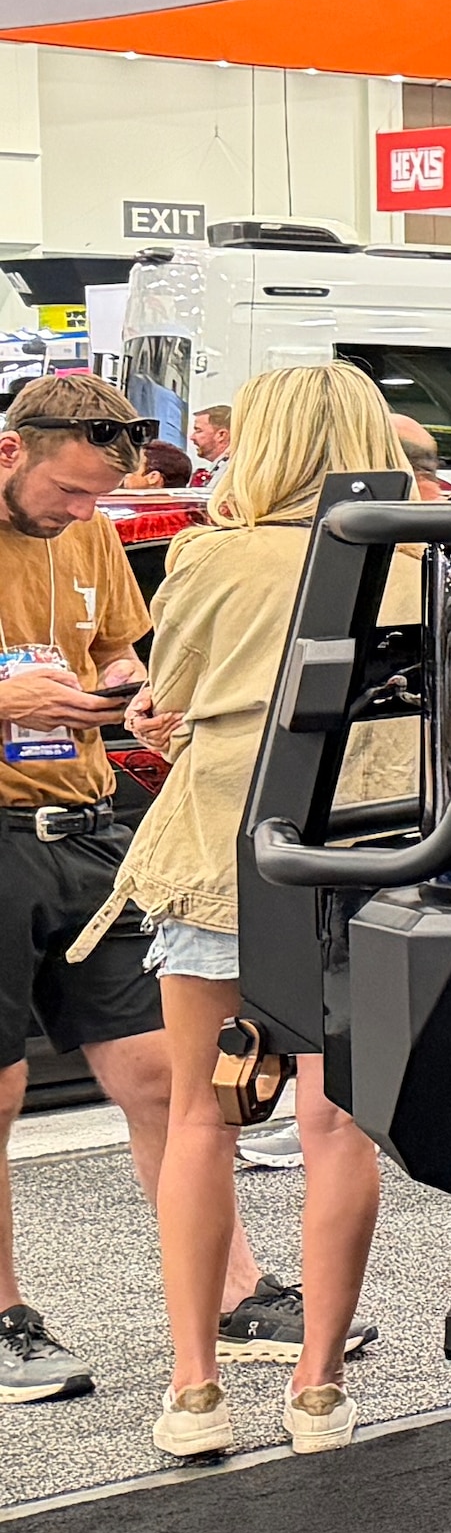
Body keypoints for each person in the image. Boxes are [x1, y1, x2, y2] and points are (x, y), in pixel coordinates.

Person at [111, 363, 405, 1461]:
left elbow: (171, 697)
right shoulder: (423, 557)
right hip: (369, 859)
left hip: (224, 856)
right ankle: (318, 1391)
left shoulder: (211, 556)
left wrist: (156, 716)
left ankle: (195, 1392)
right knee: (335, 1125)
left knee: (201, 1118)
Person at [0, 370, 208, 1406]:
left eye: (98, 498)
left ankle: (224, 1295)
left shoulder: (87, 535)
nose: (84, 514)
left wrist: (135, 695)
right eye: (70, 492)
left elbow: (116, 650)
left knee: (162, 1076)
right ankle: (5, 1319)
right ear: (11, 452)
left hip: (85, 828)